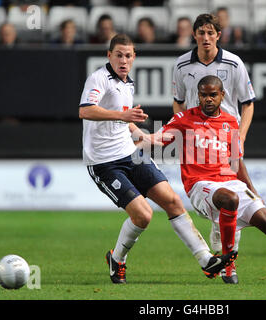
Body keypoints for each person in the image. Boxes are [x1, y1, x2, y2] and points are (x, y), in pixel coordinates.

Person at [78, 34, 236, 284]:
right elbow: (85, 110)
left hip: (130, 153)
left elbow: (125, 120)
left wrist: (140, 134)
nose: (123, 60)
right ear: (109, 56)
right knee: (143, 215)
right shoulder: (99, 78)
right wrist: (123, 117)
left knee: (172, 201)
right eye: (118, 55)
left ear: (134, 58)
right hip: (103, 162)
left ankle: (206, 260)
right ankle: (117, 259)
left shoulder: (127, 82)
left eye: (128, 56)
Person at [160, 75, 266, 285]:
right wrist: (135, 133)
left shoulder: (230, 121)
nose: (208, 99)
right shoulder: (184, 119)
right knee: (230, 199)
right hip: (200, 185)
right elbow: (157, 139)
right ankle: (228, 266)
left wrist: (252, 189)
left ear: (222, 95)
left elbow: (237, 162)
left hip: (231, 182)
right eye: (204, 95)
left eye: (213, 95)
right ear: (198, 96)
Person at [172, 13, 255, 283]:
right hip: (198, 140)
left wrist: (240, 136)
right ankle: (224, 257)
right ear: (194, 35)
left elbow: (248, 102)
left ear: (218, 35)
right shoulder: (182, 64)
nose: (206, 38)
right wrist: (181, 131)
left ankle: (229, 264)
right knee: (217, 197)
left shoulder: (234, 63)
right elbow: (178, 102)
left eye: (211, 33)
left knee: (232, 195)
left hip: (227, 138)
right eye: (201, 33)